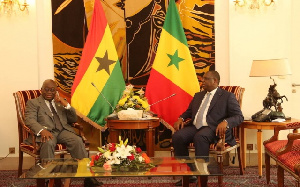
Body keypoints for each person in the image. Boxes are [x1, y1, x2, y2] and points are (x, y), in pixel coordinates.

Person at [172, 71, 244, 186]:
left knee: (200, 137)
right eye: (202, 79)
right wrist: (181, 118)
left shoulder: (227, 96)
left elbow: (239, 117)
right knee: (177, 136)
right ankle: (190, 173)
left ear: (215, 81)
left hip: (213, 128)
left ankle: (202, 179)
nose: (202, 81)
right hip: (195, 126)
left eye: (205, 79)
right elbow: (189, 112)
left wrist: (226, 122)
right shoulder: (198, 95)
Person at [25, 79, 102, 187]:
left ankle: (88, 177)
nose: (49, 92)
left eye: (52, 90)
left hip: (63, 131)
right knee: (48, 143)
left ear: (56, 91)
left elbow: (72, 119)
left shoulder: (60, 102)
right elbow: (29, 120)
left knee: (77, 141)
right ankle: (48, 178)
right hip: (47, 132)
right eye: (46, 89)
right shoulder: (33, 103)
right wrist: (42, 130)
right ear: (41, 90)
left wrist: (67, 105)